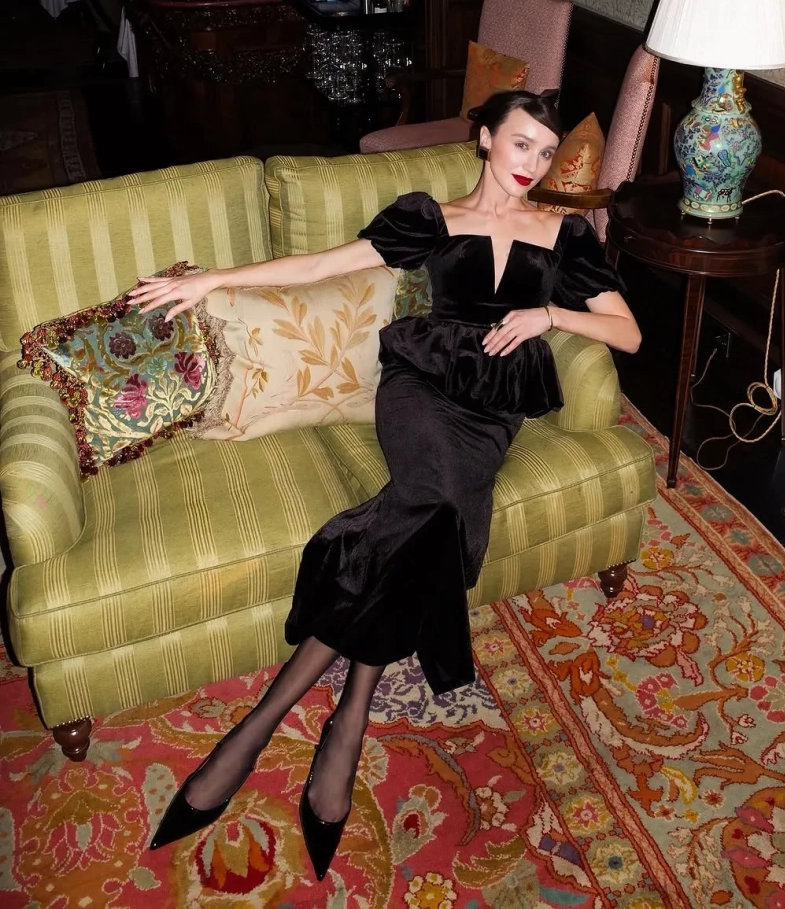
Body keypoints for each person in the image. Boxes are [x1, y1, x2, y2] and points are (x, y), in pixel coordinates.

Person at [131, 90, 641, 879]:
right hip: (421, 387)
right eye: (521, 144)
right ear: (485, 139)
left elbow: (628, 332)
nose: (533, 164)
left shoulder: (564, 233)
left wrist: (551, 318)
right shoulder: (431, 217)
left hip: (492, 410)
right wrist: (213, 282)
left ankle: (266, 724)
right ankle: (340, 721)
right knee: (436, 510)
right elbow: (318, 266)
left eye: (545, 153)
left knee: (431, 519)